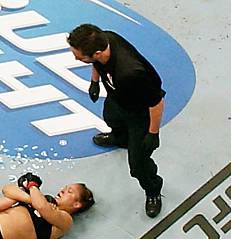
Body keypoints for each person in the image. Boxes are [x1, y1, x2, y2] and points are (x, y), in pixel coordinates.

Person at [67, 23, 165, 218]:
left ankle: (153, 190)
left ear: (95, 52)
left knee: (138, 165)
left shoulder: (130, 73)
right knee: (110, 117)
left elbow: (156, 102)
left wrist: (153, 133)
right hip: (118, 98)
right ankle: (120, 138)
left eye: (78, 54)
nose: (75, 57)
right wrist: (94, 82)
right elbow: (95, 63)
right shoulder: (106, 38)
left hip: (140, 114)